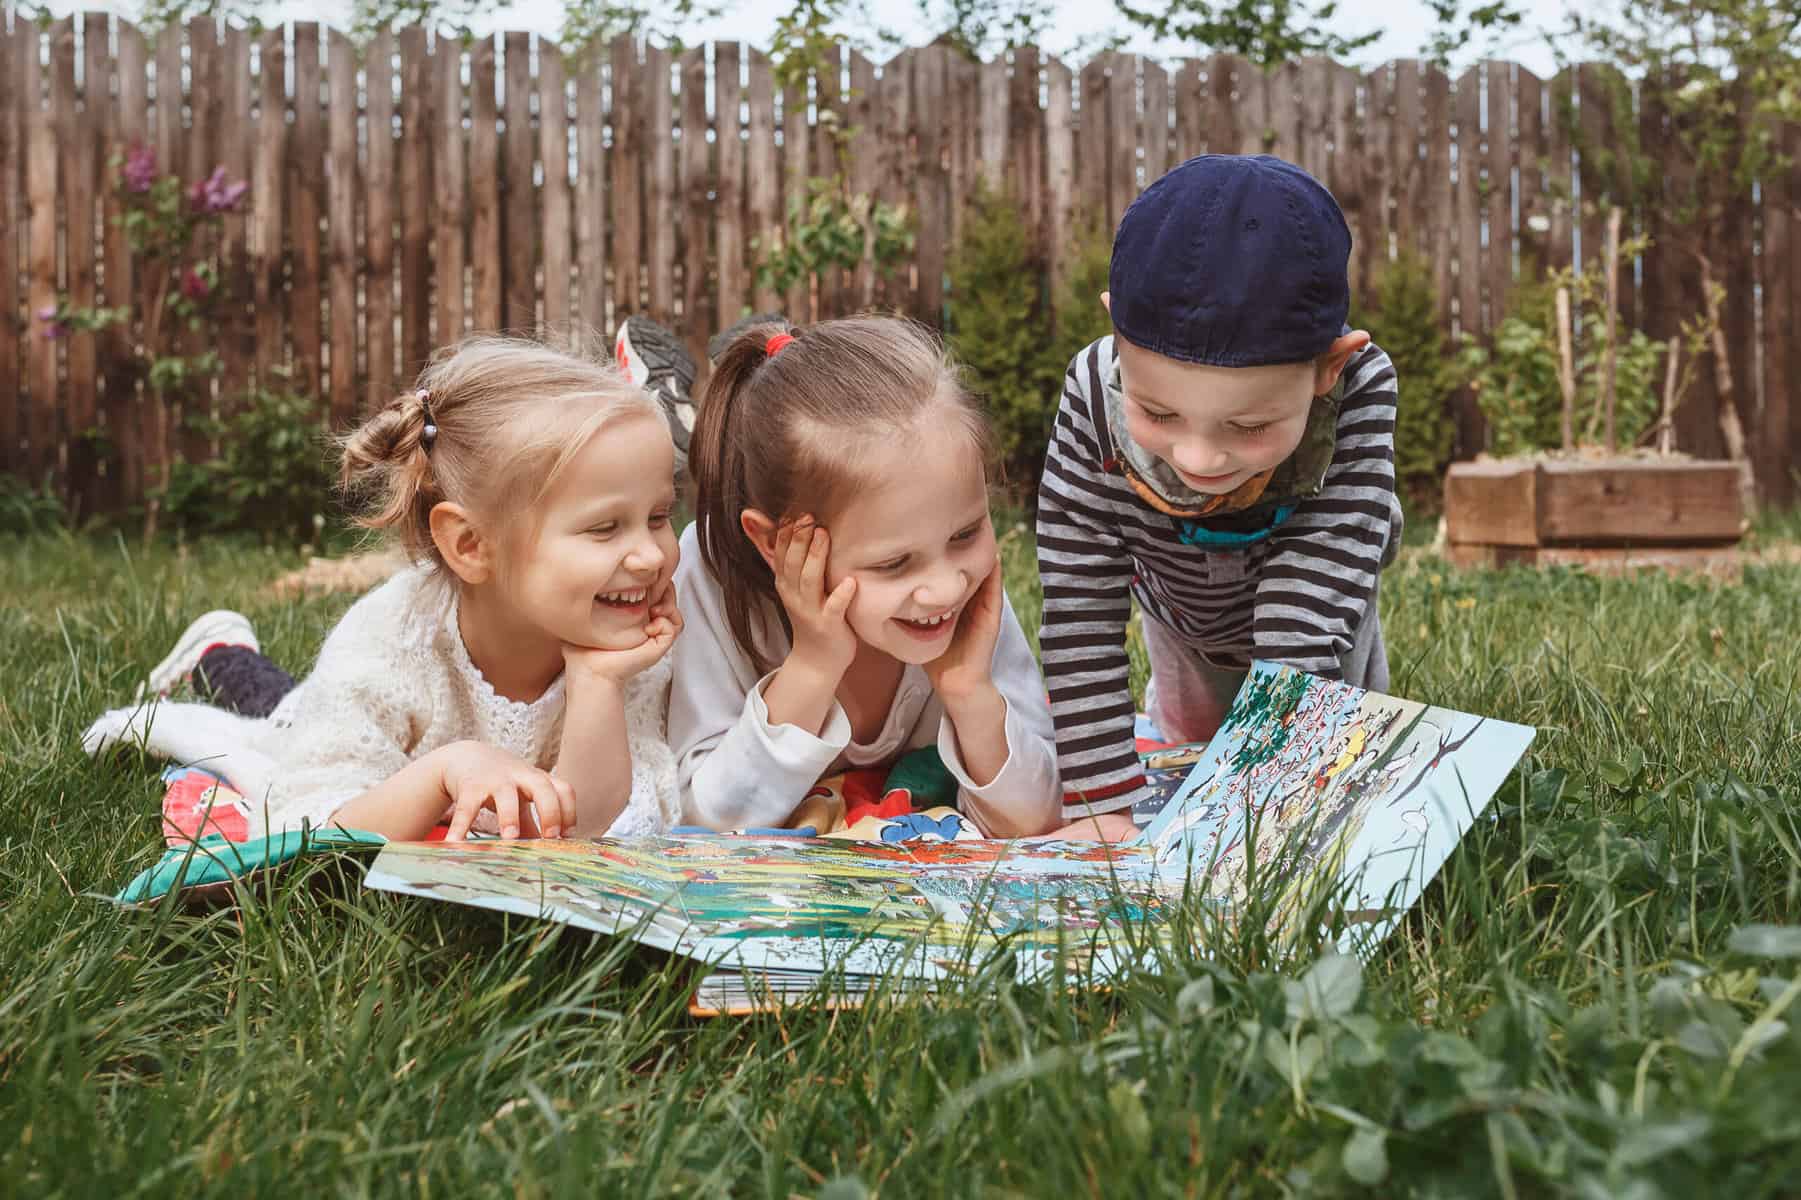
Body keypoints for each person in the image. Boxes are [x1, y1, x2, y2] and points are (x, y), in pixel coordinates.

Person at [83, 334, 684, 842]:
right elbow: (309, 819)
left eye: (659, 517)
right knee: (269, 711)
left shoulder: (626, 652)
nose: (652, 554)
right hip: (317, 722)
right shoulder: (389, 640)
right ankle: (219, 652)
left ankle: (226, 653)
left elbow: (597, 830)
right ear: (472, 545)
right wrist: (442, 773)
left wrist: (596, 685)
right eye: (605, 527)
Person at [1037, 154, 1403, 841]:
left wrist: (1269, 805)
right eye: (1159, 415)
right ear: (1117, 335)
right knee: (1189, 752)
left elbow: (1307, 608)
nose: (1199, 459)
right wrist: (1098, 809)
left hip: (1316, 602)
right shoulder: (1091, 391)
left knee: (1332, 790)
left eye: (1250, 426)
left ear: (1331, 366)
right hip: (1174, 594)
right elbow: (1079, 599)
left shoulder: (1360, 390)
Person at [667, 317, 1061, 838]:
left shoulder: (966, 591)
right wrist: (811, 667)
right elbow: (706, 823)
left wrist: (970, 690)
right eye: (894, 564)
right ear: (772, 543)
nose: (945, 587)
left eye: (966, 534)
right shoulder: (711, 577)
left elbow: (1036, 818)